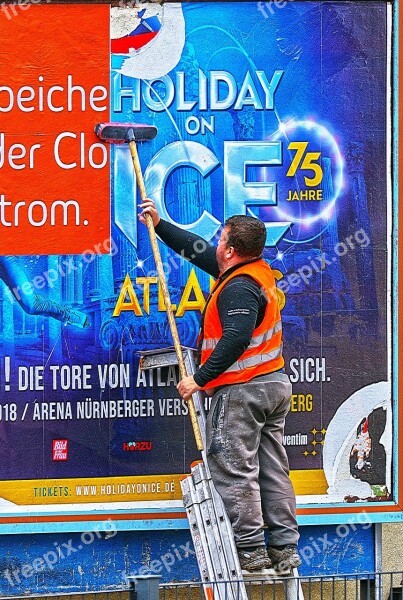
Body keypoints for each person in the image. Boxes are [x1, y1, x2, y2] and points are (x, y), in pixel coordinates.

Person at [139, 200, 300, 575]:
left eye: (220, 239)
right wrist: (161, 225)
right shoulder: (252, 271)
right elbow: (195, 249)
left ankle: (251, 551)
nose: (213, 244)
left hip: (243, 389)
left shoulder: (239, 289)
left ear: (229, 249)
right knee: (271, 467)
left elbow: (236, 339)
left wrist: (199, 378)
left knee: (233, 466)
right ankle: (284, 548)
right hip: (272, 385)